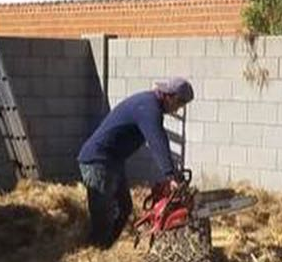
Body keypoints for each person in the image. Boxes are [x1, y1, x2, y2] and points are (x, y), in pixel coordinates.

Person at [77, 76, 195, 246]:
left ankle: (107, 247)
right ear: (169, 96)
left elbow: (160, 140)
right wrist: (171, 175)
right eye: (179, 103)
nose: (178, 108)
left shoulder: (149, 105)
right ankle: (94, 252)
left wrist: (173, 173)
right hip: (98, 161)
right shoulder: (148, 107)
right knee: (103, 217)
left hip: (113, 161)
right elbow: (157, 141)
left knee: (124, 209)